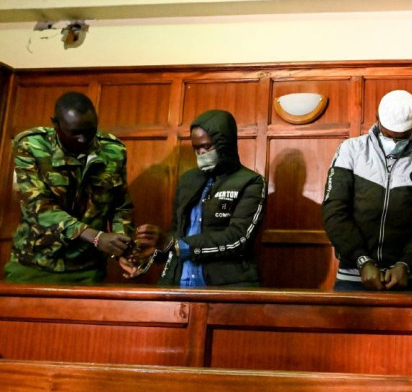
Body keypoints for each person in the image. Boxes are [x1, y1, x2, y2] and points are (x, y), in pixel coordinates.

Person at [322, 90, 412, 291]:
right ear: (377, 119)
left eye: (402, 137)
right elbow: (334, 211)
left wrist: (406, 264)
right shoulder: (350, 150)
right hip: (353, 276)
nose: (395, 142)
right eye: (388, 135)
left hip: (408, 277)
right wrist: (362, 260)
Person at [122, 109, 265, 287]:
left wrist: (174, 244)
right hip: (178, 282)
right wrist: (151, 252)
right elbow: (178, 232)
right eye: (196, 148)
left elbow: (238, 239)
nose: (201, 153)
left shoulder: (250, 181)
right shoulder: (188, 180)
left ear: (224, 144)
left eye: (207, 146)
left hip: (225, 284)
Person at [4, 91, 134, 284]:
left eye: (90, 131)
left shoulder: (113, 151)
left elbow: (120, 206)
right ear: (55, 124)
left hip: (87, 268)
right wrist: (96, 237)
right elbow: (38, 205)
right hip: (34, 264)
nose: (83, 139)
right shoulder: (31, 145)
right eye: (74, 133)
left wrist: (121, 246)